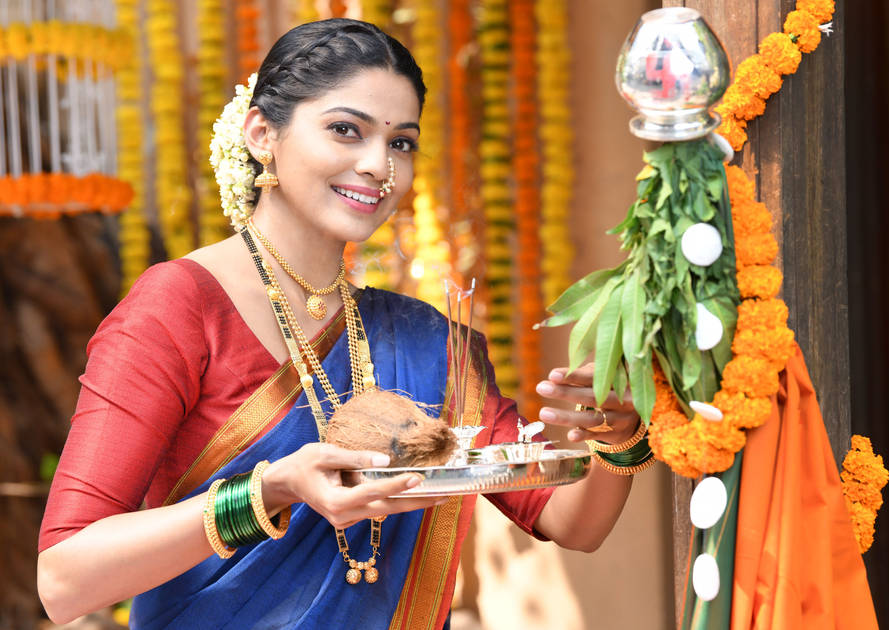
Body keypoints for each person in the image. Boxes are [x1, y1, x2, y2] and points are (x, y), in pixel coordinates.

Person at [36, 18, 648, 629]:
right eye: (344, 130)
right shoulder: (179, 307)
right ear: (261, 134)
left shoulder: (422, 338)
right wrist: (268, 491)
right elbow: (65, 578)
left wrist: (617, 433)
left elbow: (572, 521)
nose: (379, 165)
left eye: (401, 142)